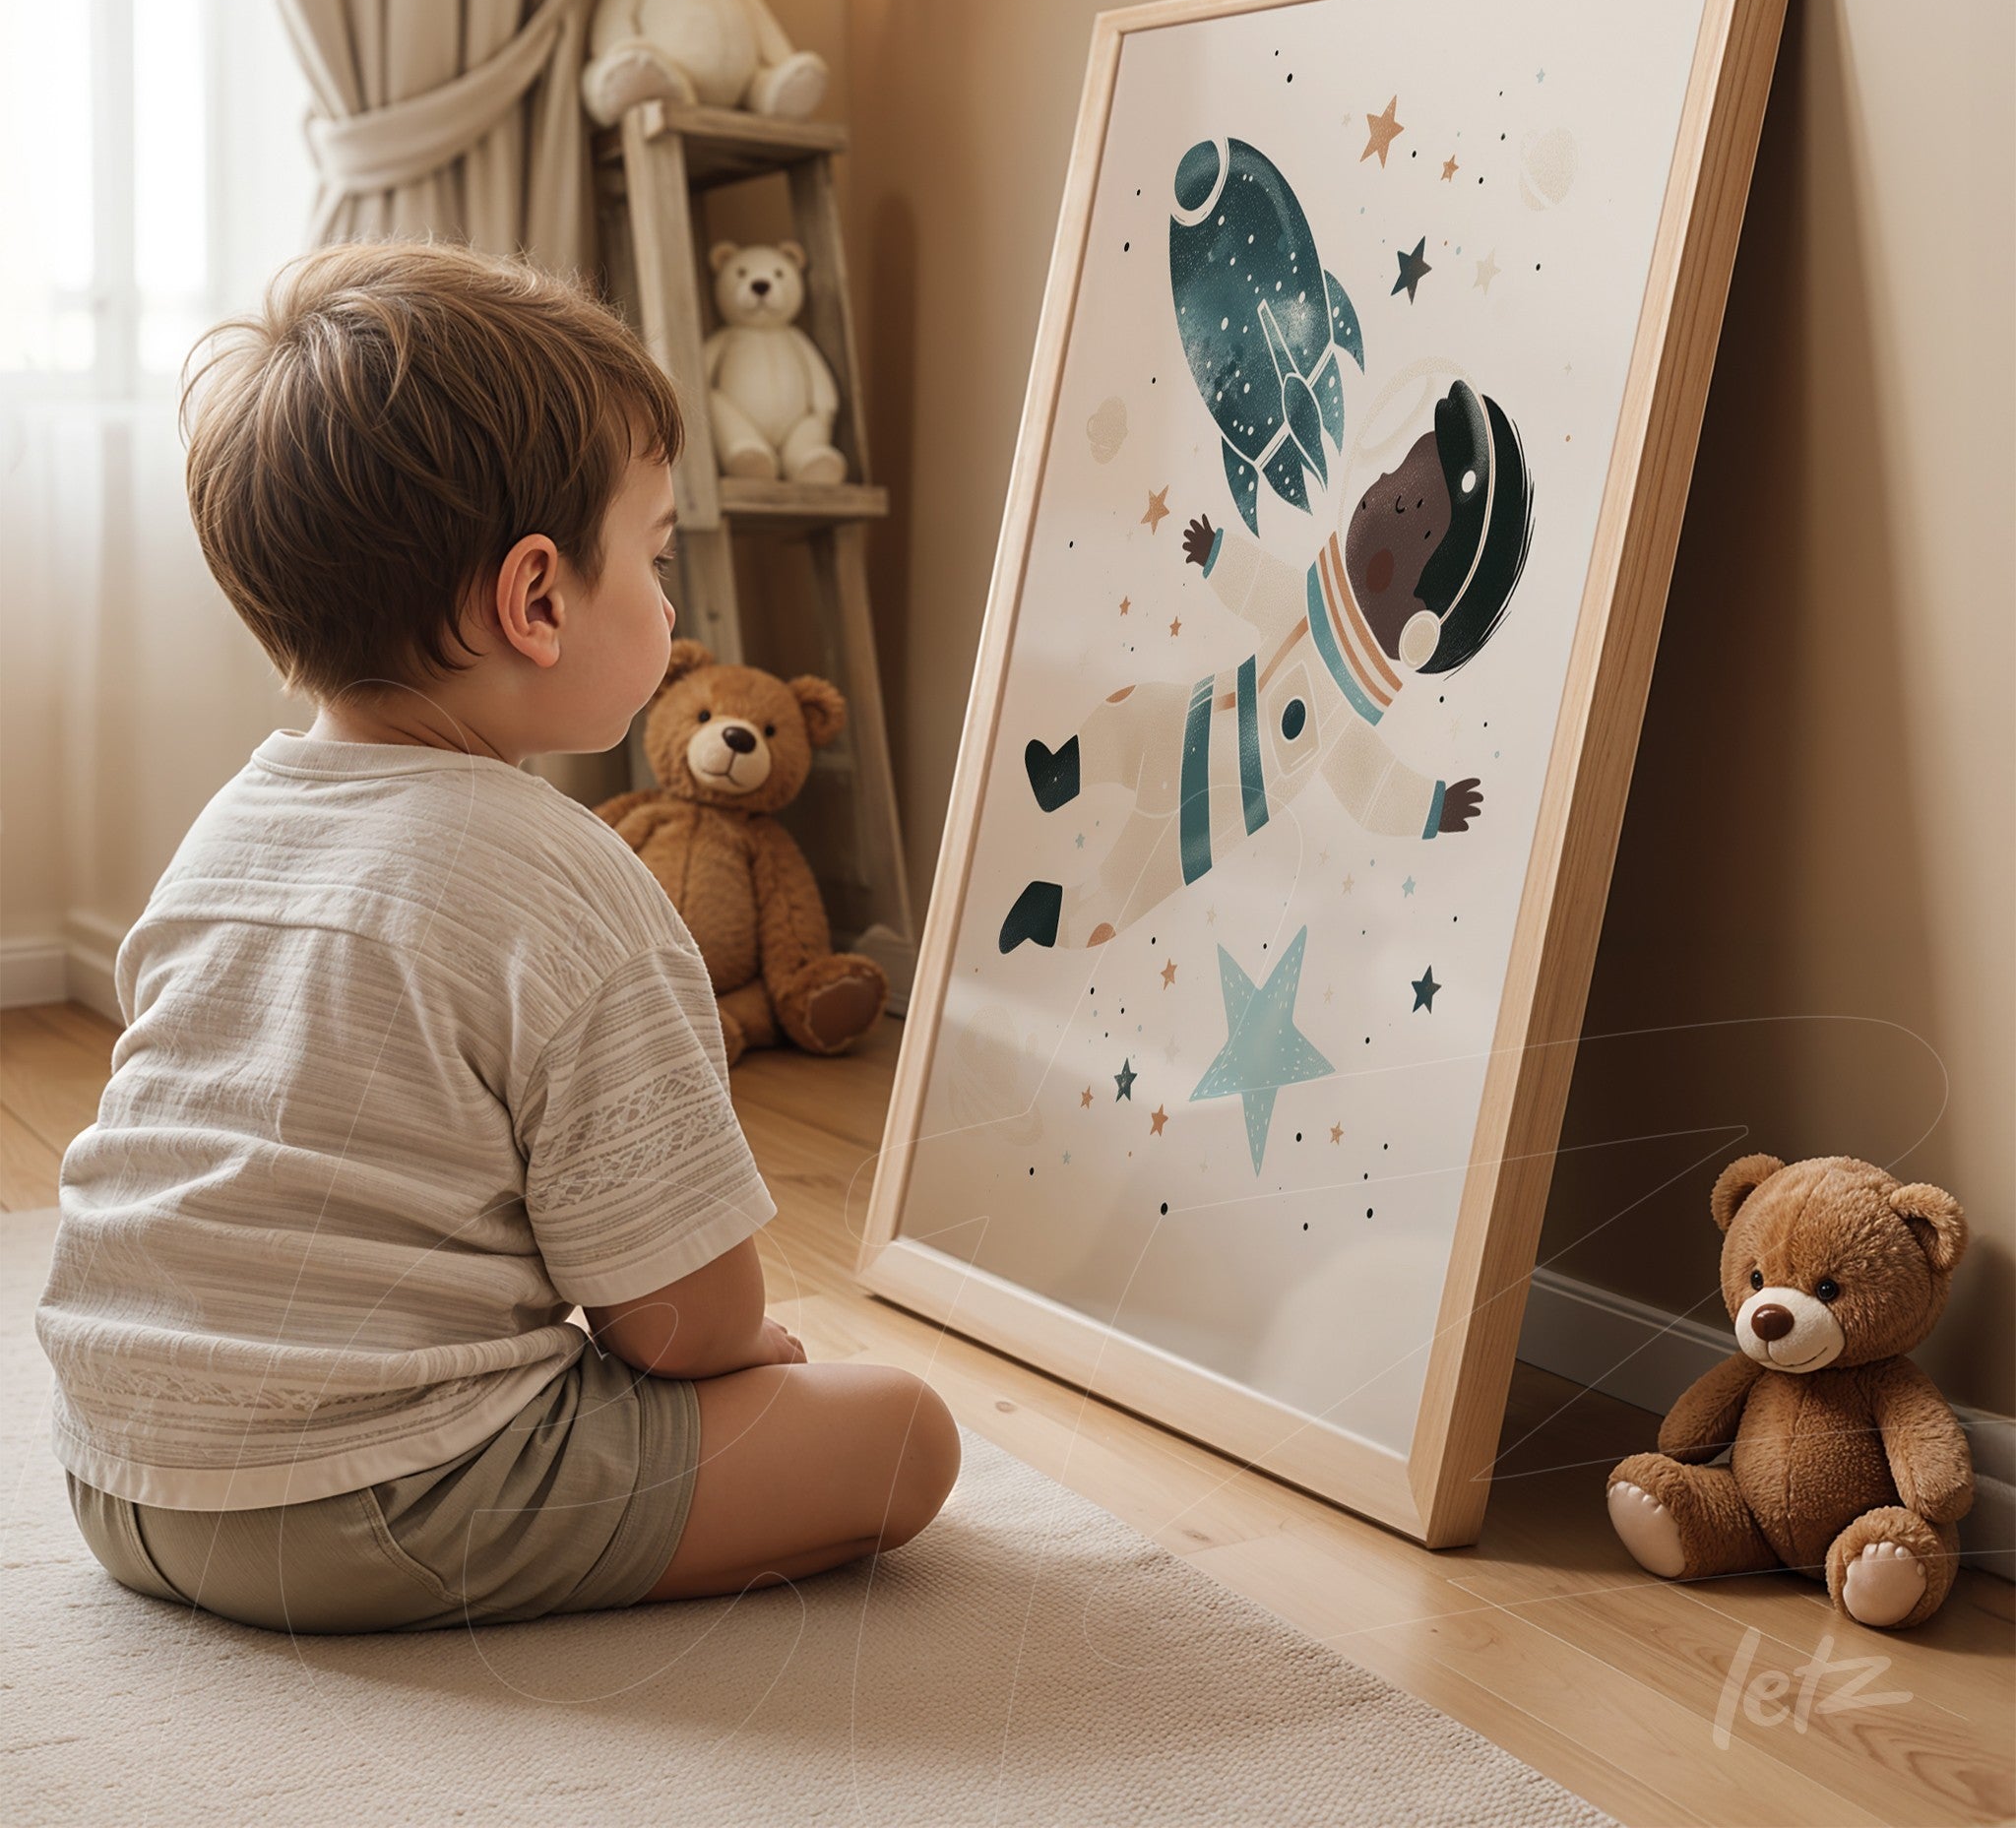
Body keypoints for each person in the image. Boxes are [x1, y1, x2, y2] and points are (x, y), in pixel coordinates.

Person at [33, 239, 959, 1634]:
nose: (670, 607)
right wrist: (749, 1356)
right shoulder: (567, 880)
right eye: (653, 560)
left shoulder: (230, 827)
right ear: (535, 602)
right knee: (902, 1433)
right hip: (363, 1501)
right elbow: (677, 1325)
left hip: (118, 1475)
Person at [1000, 375, 1534, 954]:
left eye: (1404, 502)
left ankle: (1052, 915)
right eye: (1392, 476)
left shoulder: (1344, 712)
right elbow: (1268, 592)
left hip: (1210, 811)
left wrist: (1431, 807)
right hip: (1189, 720)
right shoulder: (1312, 609)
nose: (1378, 486)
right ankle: (1064, 772)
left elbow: (1368, 783)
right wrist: (1219, 556)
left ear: (1419, 626)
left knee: (1130, 881)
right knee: (1131, 712)